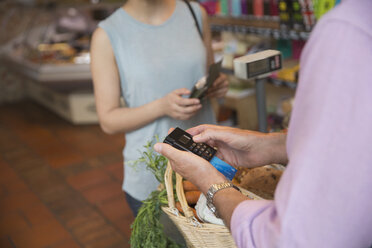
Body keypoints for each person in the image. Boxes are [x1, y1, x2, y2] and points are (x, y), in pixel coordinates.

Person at [154, 0, 372, 247]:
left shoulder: (348, 30)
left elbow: (293, 238)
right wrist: (270, 146)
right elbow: (350, 144)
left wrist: (211, 184)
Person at [90, 0, 229, 216]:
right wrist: (162, 106)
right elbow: (108, 120)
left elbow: (207, 77)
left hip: (209, 166)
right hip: (152, 177)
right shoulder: (107, 34)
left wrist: (216, 86)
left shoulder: (195, 13)